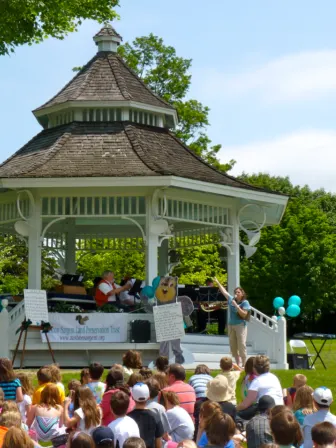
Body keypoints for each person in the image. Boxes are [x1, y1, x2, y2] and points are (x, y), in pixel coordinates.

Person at [214, 278, 250, 366]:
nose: (236, 293)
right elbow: (224, 292)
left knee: (241, 345)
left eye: (238, 292)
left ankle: (244, 364)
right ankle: (237, 364)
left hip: (240, 325)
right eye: (235, 292)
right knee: (233, 346)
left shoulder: (245, 302)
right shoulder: (231, 299)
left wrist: (236, 306)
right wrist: (218, 282)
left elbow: (244, 315)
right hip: (231, 325)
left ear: (242, 294)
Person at [237, 355, 283, 420]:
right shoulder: (274, 377)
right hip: (280, 409)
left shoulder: (256, 381)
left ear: (254, 368)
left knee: (238, 416)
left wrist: (235, 408)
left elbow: (245, 404)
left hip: (268, 412)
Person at [128, 383, 164, 448]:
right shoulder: (155, 416)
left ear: (132, 397)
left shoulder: (128, 418)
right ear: (148, 397)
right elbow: (158, 442)